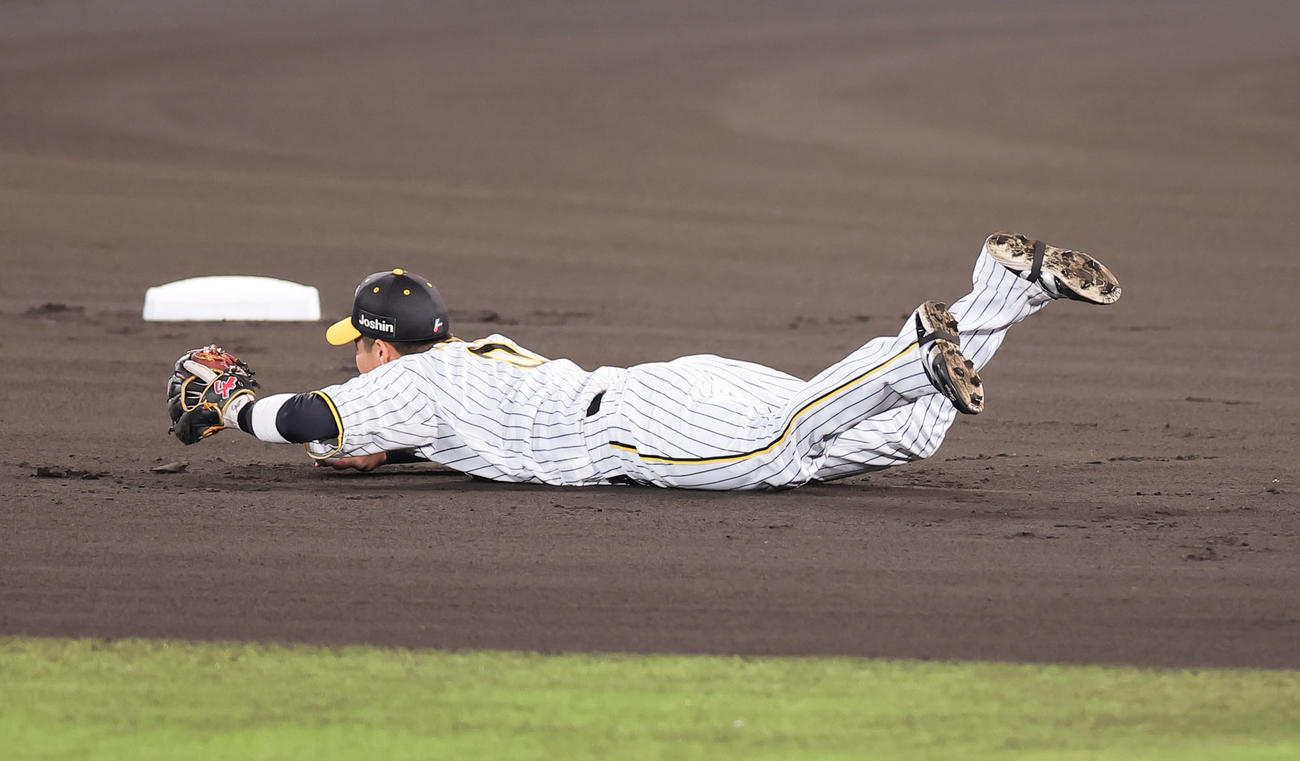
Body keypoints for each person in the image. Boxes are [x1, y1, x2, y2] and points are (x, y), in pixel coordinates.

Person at [168, 232, 1120, 490]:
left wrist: (232, 400)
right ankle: (1004, 291)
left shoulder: (410, 382)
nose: (354, 364)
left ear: (377, 345)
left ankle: (915, 347)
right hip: (673, 382)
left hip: (645, 428)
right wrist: (373, 454)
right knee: (910, 440)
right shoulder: (467, 361)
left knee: (782, 450)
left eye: (355, 349)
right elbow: (382, 441)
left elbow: (312, 421)